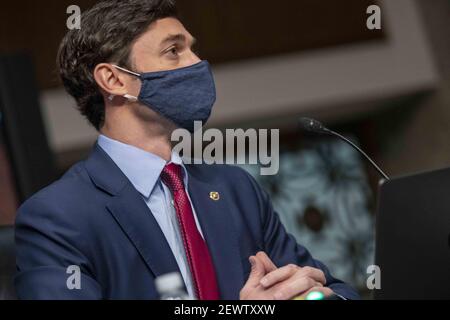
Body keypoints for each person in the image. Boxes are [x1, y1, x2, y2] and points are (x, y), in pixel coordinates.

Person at [14, 0, 359, 300]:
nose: (197, 63)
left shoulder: (235, 188)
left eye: (193, 49)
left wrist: (313, 294)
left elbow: (337, 290)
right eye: (174, 50)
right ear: (115, 80)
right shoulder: (56, 218)